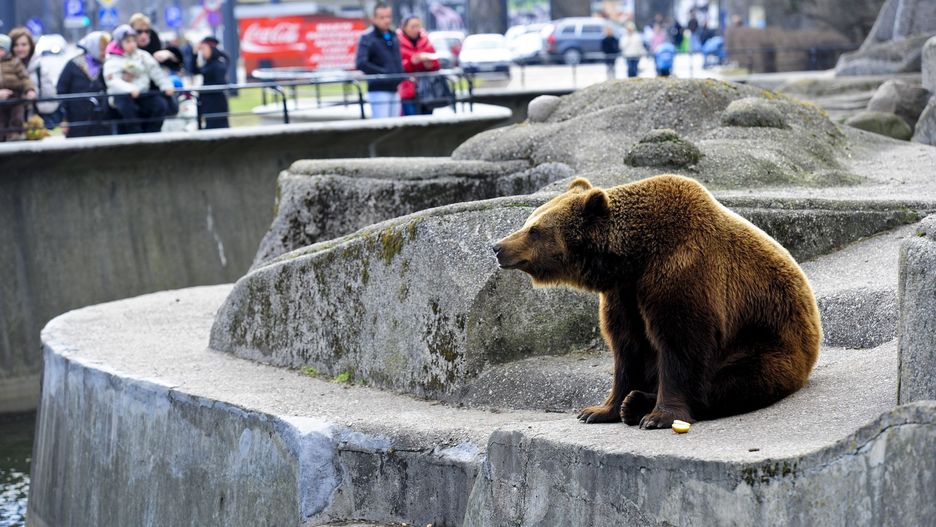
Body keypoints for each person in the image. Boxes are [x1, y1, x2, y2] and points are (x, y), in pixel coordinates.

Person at [103, 25, 174, 134]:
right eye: (127, 41)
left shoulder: (142, 56)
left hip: (141, 93)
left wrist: (166, 86)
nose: (132, 44)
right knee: (128, 110)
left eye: (133, 41)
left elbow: (156, 72)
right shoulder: (112, 59)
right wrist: (129, 89)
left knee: (160, 105)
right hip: (122, 96)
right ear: (120, 43)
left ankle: (153, 134)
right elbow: (112, 81)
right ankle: (136, 136)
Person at [56, 31, 112, 138]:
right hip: (77, 121)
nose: (104, 52)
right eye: (101, 48)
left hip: (102, 123)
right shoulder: (73, 64)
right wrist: (64, 118)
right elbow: (61, 90)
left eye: (106, 48)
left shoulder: (109, 65)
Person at [355, 2, 404, 118]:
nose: (386, 20)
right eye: (382, 17)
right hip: (378, 90)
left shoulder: (393, 36)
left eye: (388, 17)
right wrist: (383, 72)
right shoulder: (367, 37)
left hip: (395, 88)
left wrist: (401, 74)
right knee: (382, 126)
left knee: (396, 127)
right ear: (374, 19)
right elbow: (361, 62)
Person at [9, 27, 64, 129]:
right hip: (9, 122)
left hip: (34, 121)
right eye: (16, 45)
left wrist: (32, 94)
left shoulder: (39, 67)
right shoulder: (4, 66)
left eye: (24, 45)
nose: (20, 48)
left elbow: (50, 96)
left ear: (31, 46)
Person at [397, 16, 440, 116]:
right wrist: (412, 62)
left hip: (426, 90)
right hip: (407, 90)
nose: (416, 29)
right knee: (412, 122)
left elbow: (436, 64)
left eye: (418, 26)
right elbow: (395, 66)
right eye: (413, 26)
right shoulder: (397, 42)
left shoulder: (426, 41)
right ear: (404, 27)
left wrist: (430, 64)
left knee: (428, 122)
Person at [0, 33, 37, 141]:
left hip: (15, 95)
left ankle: (15, 134)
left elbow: (24, 78)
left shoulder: (15, 62)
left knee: (17, 115)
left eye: (1, 49)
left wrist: (30, 90)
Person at [193, 36, 229, 129]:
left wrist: (203, 90)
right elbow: (195, 70)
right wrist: (195, 54)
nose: (203, 52)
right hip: (208, 101)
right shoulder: (208, 63)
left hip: (216, 102)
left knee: (217, 126)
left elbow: (220, 83)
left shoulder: (218, 64)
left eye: (204, 49)